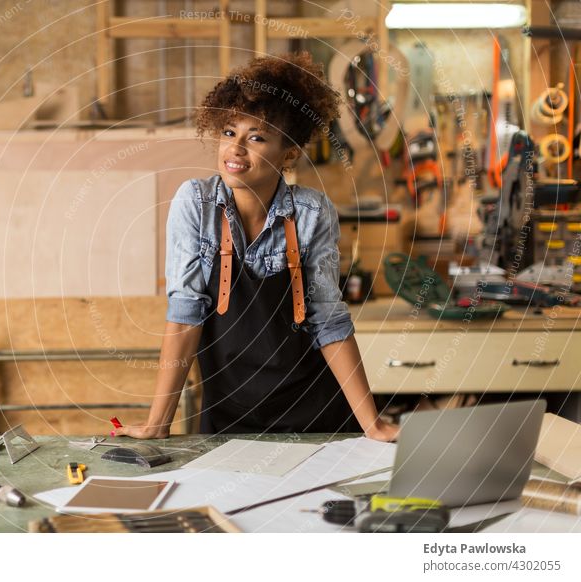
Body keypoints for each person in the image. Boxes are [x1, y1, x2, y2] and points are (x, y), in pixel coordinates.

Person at [115, 52, 399, 442]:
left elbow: (328, 320)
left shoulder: (312, 212)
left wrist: (372, 423)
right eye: (230, 132)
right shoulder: (195, 203)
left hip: (315, 415)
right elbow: (184, 315)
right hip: (227, 416)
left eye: (257, 137)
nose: (236, 149)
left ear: (289, 153)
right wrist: (158, 423)